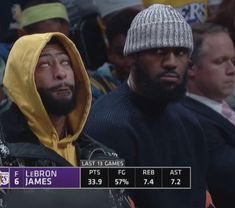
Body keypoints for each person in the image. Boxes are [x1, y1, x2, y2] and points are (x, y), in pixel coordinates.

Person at [85, 4, 208, 208]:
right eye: (158, 51)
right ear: (132, 56)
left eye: (180, 52)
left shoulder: (189, 121)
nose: (171, 62)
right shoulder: (107, 126)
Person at [0, 32, 134, 208]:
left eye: (66, 62)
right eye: (45, 64)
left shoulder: (100, 154)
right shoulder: (6, 155)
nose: (60, 73)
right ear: (21, 78)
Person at [181, 23, 235, 208]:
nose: (231, 70)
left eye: (233, 61)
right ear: (190, 67)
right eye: (220, 61)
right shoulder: (191, 121)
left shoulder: (220, 102)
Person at [91, 9, 138, 101]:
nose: (128, 63)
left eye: (135, 54)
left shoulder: (161, 80)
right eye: (121, 54)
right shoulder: (96, 89)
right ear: (109, 53)